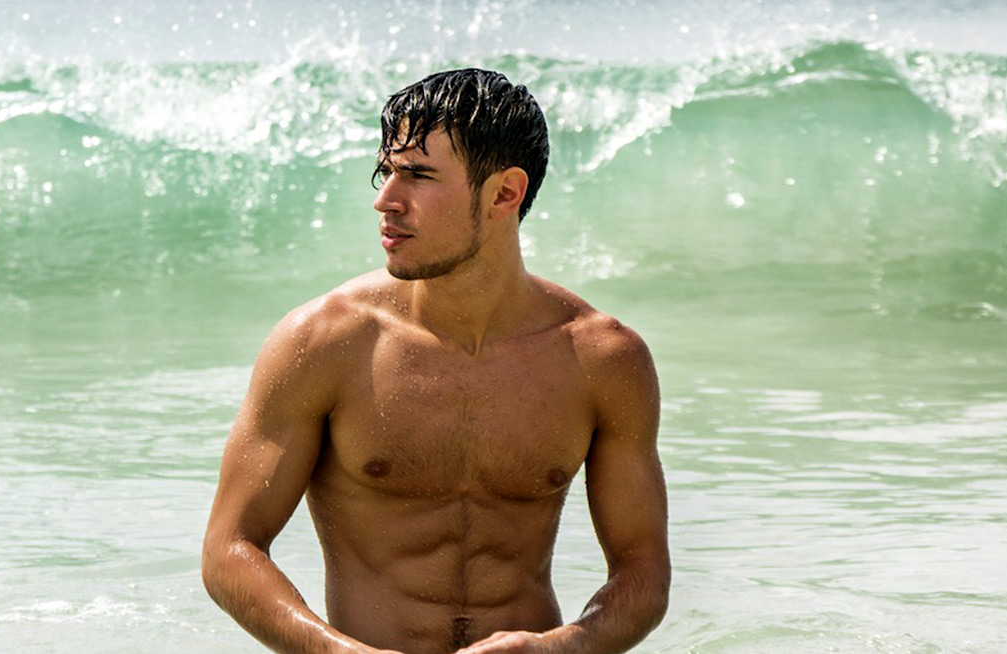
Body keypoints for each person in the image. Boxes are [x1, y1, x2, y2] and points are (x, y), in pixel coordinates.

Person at [201, 68, 670, 654]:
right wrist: (339, 653)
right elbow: (229, 549)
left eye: (418, 176)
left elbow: (643, 573)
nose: (385, 200)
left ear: (504, 194)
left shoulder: (602, 358)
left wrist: (562, 647)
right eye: (386, 172)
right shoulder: (326, 342)